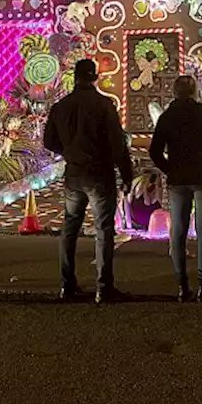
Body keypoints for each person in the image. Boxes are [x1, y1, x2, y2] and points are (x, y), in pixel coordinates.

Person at [43, 59, 133, 304]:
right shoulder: (104, 105)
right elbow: (117, 144)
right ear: (94, 78)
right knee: (104, 229)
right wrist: (126, 174)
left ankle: (67, 284)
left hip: (74, 172)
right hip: (99, 172)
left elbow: (48, 141)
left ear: (75, 77)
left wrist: (69, 151)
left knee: (70, 227)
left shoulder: (61, 106)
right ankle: (103, 287)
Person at [149, 75, 202, 301]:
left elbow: (155, 150)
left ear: (174, 92)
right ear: (195, 92)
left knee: (178, 231)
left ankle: (182, 286)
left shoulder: (167, 117)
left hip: (178, 178)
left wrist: (169, 169)